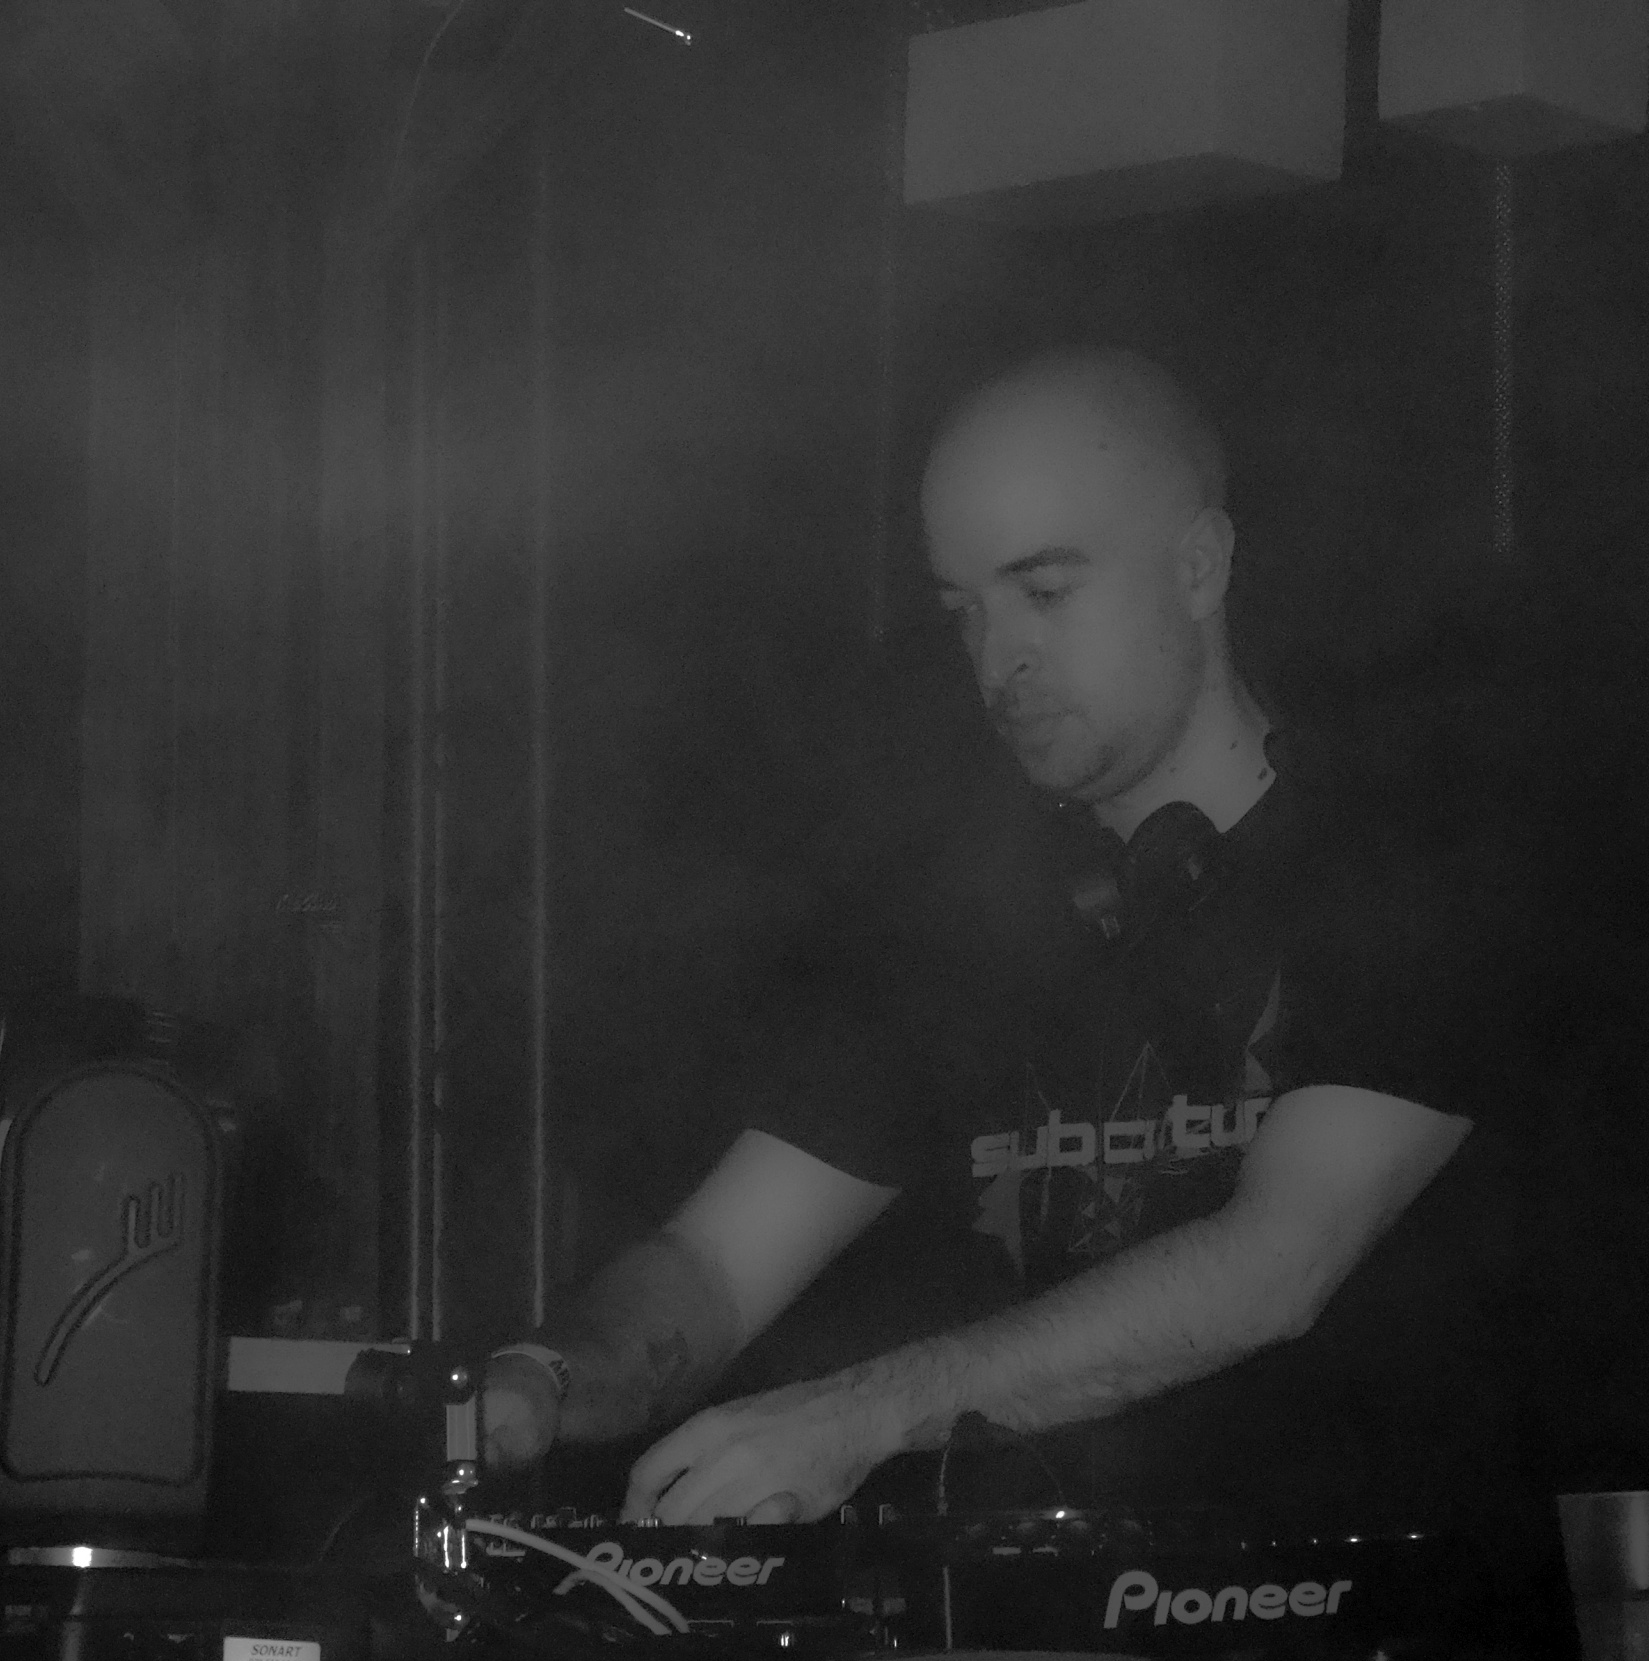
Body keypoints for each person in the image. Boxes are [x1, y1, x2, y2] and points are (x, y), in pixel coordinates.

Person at [482, 348, 1492, 1526]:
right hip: (1033, 1630)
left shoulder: (1405, 861)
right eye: (964, 611)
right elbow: (712, 1268)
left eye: (1044, 593)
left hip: (1379, 1625)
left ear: (1198, 566)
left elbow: (1279, 1264)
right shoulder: (960, 921)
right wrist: (545, 1379)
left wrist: (857, 1416)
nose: (997, 660)